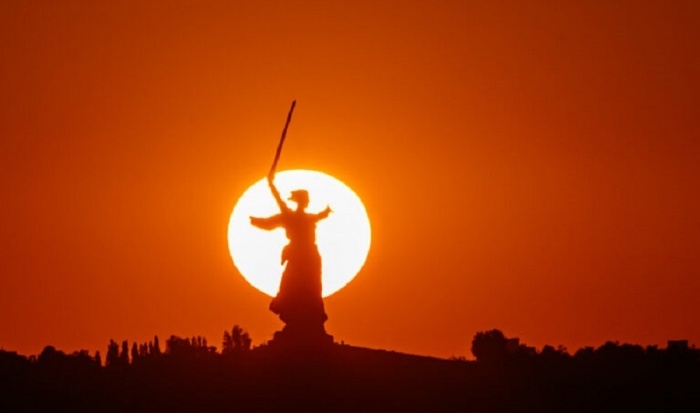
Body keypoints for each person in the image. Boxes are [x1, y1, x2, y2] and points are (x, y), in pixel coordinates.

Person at [250, 176, 332, 335]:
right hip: (300, 256)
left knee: (311, 287)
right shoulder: (290, 216)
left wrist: (325, 212)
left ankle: (310, 322)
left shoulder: (305, 217)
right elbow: (277, 203)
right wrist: (271, 185)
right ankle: (297, 321)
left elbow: (319, 216)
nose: (307, 201)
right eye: (306, 199)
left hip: (309, 256)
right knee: (293, 286)